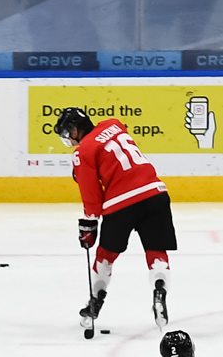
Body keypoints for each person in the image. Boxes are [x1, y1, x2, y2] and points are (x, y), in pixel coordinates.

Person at [51, 105, 174, 335]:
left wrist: (88, 223)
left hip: (122, 203)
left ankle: (95, 301)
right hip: (155, 192)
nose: (70, 139)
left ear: (76, 130)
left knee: (105, 255)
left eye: (68, 133)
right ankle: (159, 290)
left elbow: (92, 196)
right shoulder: (114, 124)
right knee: (157, 251)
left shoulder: (82, 152)